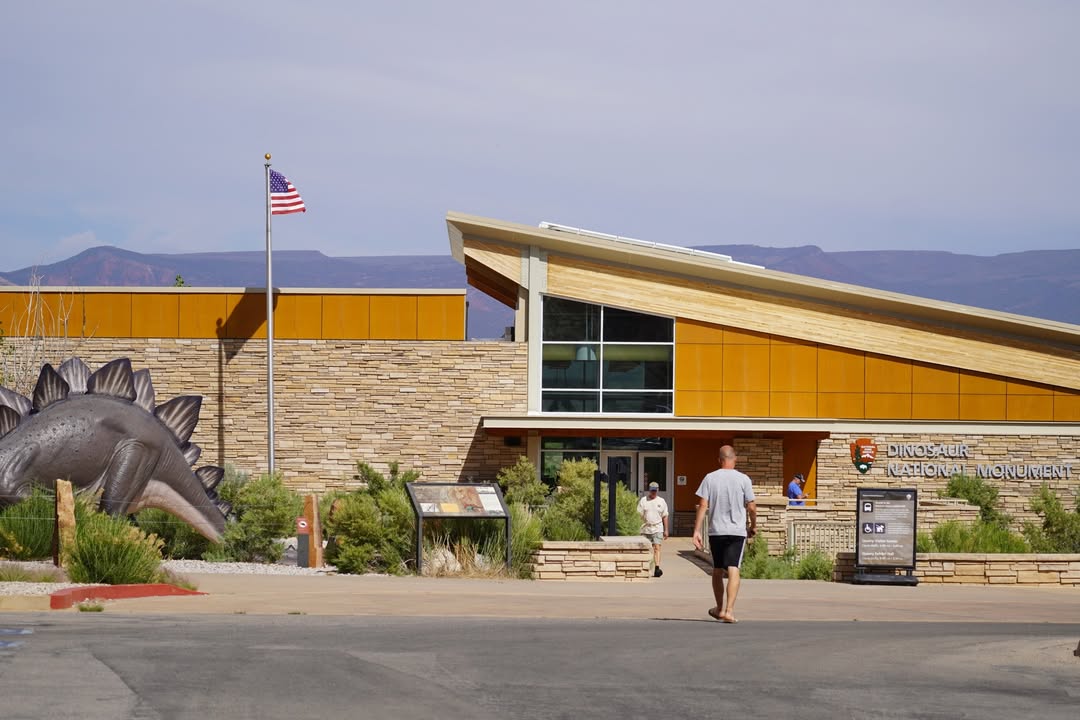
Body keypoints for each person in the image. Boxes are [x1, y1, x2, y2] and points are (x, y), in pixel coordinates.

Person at [692, 444, 757, 623]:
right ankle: (729, 611)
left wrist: (697, 530)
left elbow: (703, 505)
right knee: (734, 567)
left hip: (716, 531)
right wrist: (753, 525)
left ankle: (719, 608)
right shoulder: (744, 479)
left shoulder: (710, 478)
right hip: (736, 531)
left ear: (719, 460)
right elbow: (751, 506)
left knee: (718, 569)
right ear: (734, 459)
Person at [637, 478, 669, 577]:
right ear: (649, 490)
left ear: (657, 490)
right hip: (645, 528)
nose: (653, 492)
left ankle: (657, 568)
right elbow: (638, 515)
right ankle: (645, 567)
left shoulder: (661, 501)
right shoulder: (643, 500)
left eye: (655, 490)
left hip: (657, 527)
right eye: (652, 490)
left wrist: (666, 530)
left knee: (657, 547)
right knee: (646, 549)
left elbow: (665, 515)